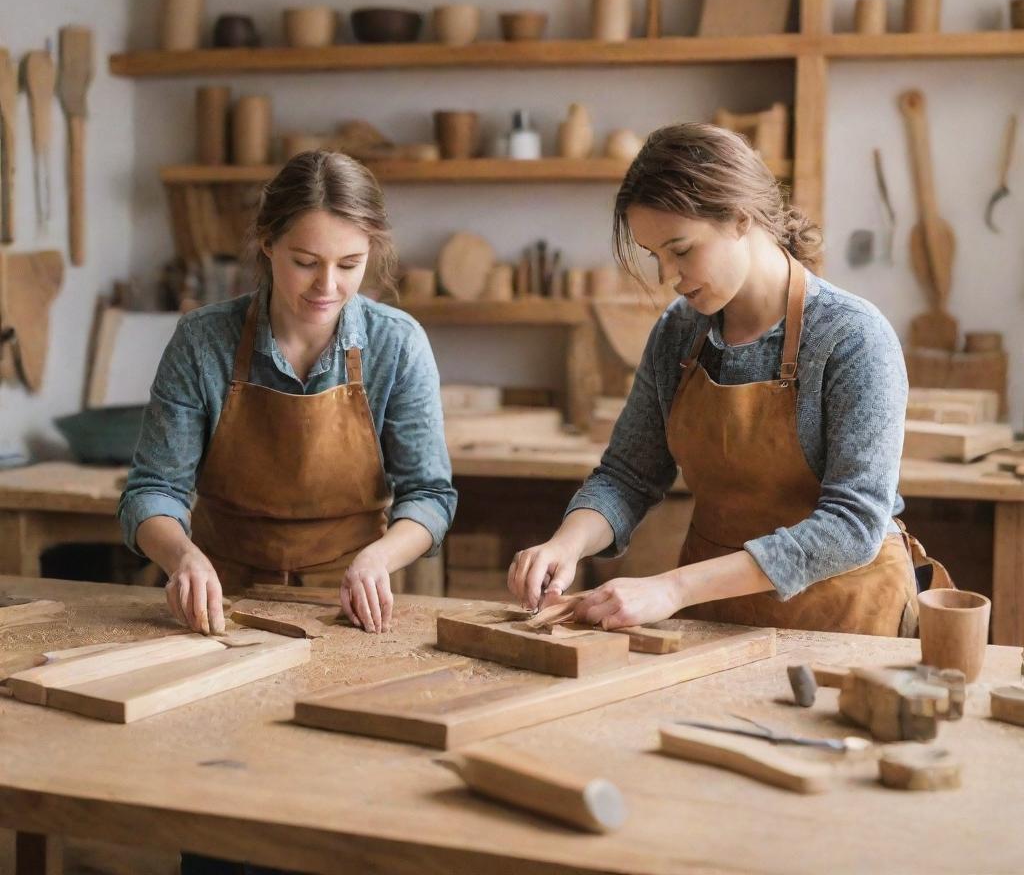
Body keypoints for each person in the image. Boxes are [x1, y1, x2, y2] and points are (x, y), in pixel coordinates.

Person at [509, 122, 948, 637]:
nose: (667, 276)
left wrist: (674, 588)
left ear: (741, 218)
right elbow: (629, 474)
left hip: (844, 621)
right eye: (656, 257)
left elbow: (852, 527)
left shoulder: (852, 337)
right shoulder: (679, 331)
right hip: (716, 621)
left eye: (681, 249)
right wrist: (567, 542)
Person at [120, 150, 456, 641]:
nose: (327, 285)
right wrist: (183, 557)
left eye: (349, 264)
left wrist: (379, 558)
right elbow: (151, 490)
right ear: (267, 242)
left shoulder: (397, 343)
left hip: (350, 603)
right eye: (305, 262)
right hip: (220, 600)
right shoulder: (202, 341)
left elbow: (430, 495)